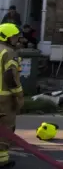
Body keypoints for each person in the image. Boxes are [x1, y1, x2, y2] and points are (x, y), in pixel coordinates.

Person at [0, 23, 24, 168]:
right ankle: (2, 160)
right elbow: (10, 76)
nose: (17, 39)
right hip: (4, 99)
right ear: (7, 37)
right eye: (15, 36)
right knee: (5, 128)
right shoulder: (8, 52)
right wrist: (19, 95)